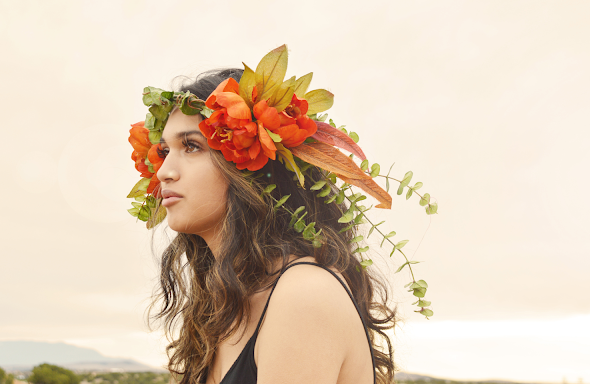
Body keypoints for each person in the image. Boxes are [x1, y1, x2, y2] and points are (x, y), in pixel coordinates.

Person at [128, 46, 398, 384]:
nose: (164, 171)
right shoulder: (228, 303)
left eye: (192, 147)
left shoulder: (303, 294)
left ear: (250, 165)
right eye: (164, 151)